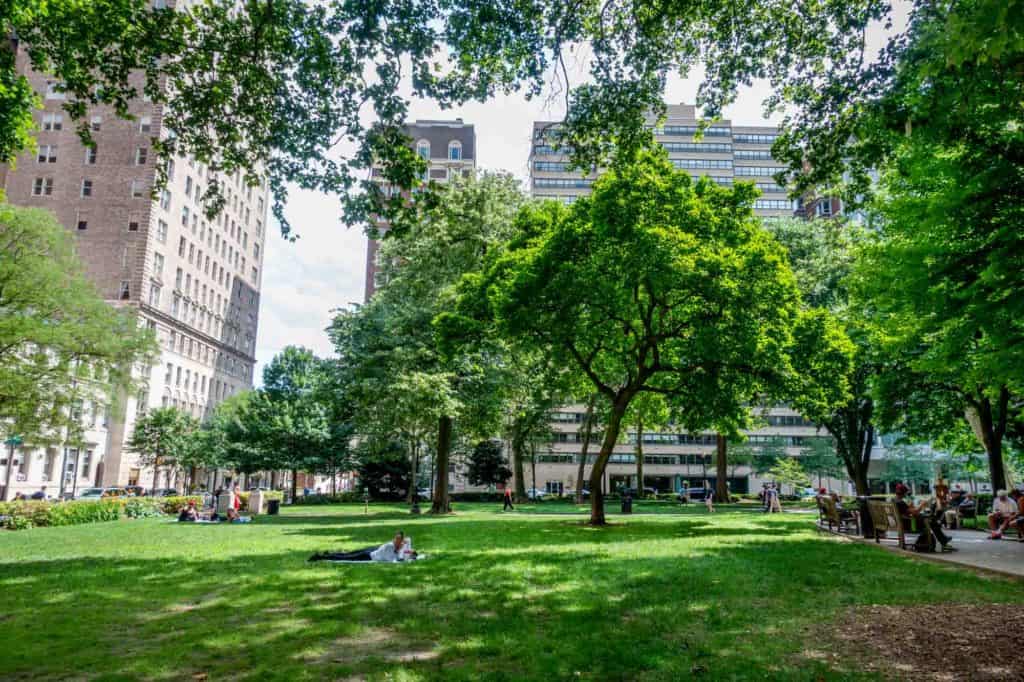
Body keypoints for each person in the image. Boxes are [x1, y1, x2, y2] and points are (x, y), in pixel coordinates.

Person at [894, 487, 955, 552]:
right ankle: (943, 541)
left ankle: (943, 540)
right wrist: (922, 504)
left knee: (931, 519)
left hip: (903, 523)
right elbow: (915, 512)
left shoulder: (895, 500)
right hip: (909, 525)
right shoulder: (900, 502)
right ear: (904, 493)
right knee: (931, 520)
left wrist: (911, 506)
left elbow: (908, 512)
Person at [309, 531, 418, 562]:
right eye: (398, 539)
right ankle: (320, 557)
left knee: (347, 554)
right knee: (346, 557)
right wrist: (403, 552)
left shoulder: (397, 546)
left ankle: (329, 554)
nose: (401, 542)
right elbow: (393, 560)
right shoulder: (390, 547)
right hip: (369, 555)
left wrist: (407, 550)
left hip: (373, 549)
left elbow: (408, 541)